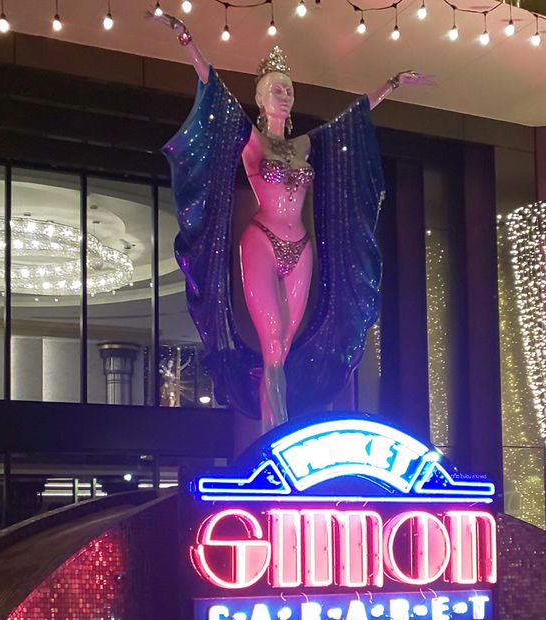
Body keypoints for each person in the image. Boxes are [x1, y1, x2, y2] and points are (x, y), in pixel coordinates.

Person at [157, 14, 431, 431]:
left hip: (301, 247)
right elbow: (213, 88)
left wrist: (390, 85)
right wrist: (186, 38)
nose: (283, 95)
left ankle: (273, 431)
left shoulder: (304, 145)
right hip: (261, 242)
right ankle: (279, 434)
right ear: (261, 99)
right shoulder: (252, 141)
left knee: (282, 348)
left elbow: (349, 121)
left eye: (288, 89)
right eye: (275, 89)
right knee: (272, 344)